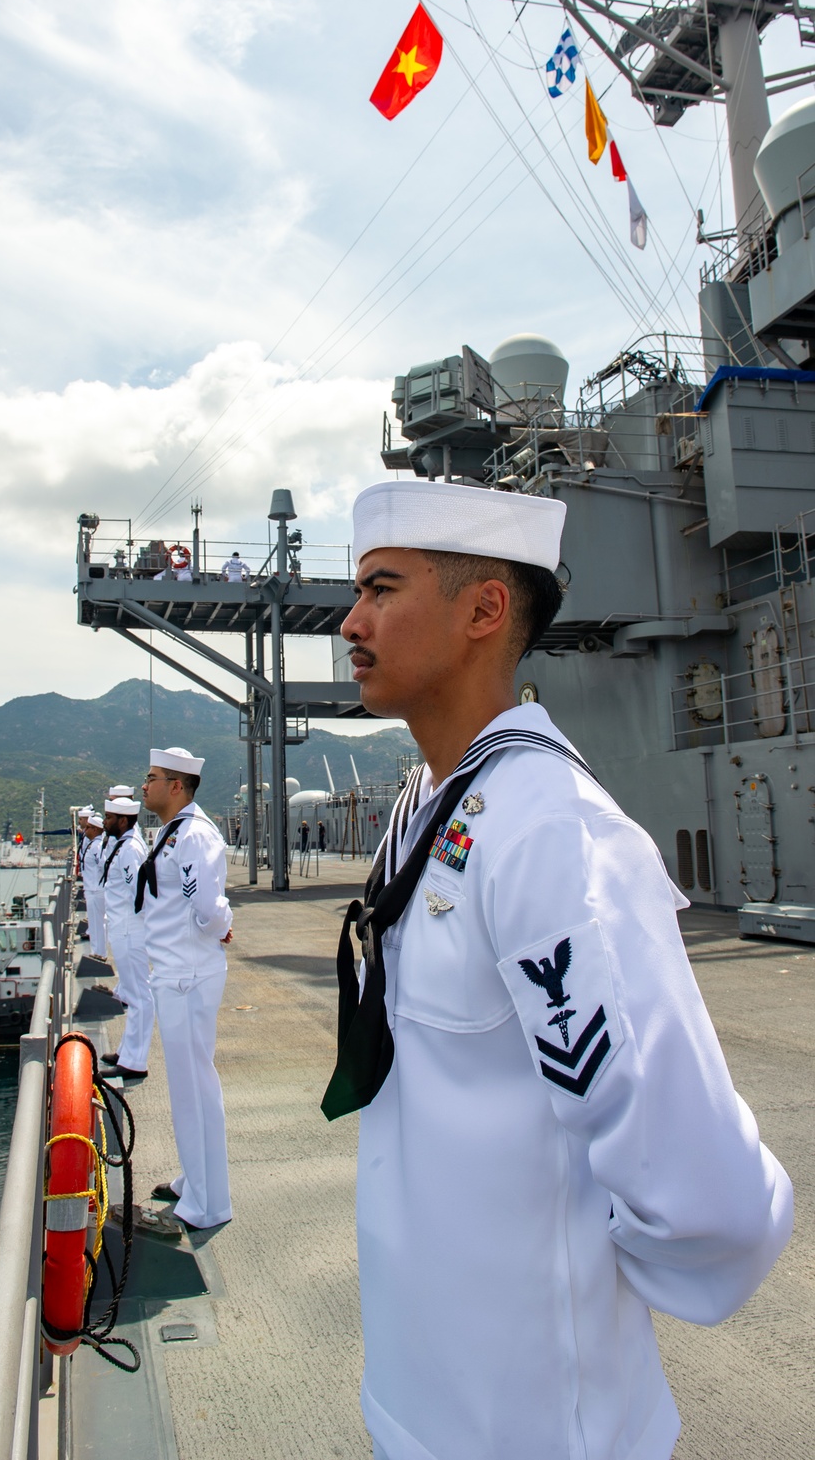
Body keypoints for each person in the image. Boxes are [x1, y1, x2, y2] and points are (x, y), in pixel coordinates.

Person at [322, 478, 793, 1460]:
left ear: (483, 610)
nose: (349, 620)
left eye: (381, 588)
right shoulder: (429, 805)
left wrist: (562, 1276)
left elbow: (704, 1194)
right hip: (419, 1393)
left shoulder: (552, 837)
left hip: (535, 1417)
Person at [136, 746, 234, 1231]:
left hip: (188, 976)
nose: (143, 785)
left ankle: (208, 1203)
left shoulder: (193, 836)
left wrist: (222, 925)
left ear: (177, 786)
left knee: (195, 1089)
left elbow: (208, 907)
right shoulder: (173, 832)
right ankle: (194, 1179)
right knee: (186, 1088)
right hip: (176, 972)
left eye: (151, 777)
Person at [98, 795, 151, 1077]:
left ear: (122, 820)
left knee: (140, 995)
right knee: (132, 993)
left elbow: (138, 895)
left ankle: (135, 1062)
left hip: (131, 930)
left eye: (108, 818)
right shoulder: (121, 845)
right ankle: (127, 1051)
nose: (104, 822)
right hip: (122, 930)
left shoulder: (130, 849)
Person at [79, 811, 107, 958]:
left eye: (89, 827)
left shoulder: (97, 847)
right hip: (91, 889)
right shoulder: (93, 845)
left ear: (96, 829)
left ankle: (99, 953)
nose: (86, 829)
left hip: (96, 890)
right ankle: (96, 951)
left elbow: (103, 866)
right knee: (95, 924)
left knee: (97, 924)